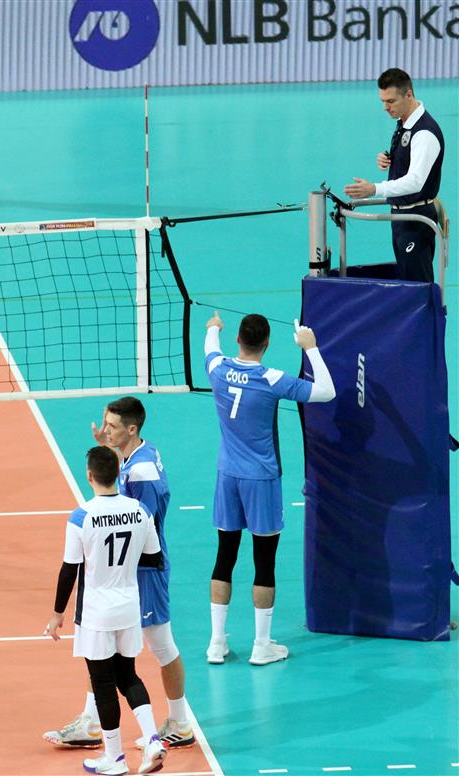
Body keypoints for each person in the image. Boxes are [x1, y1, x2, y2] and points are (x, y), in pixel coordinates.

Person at [45, 397, 195, 751]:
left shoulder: (142, 473)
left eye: (112, 426)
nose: (105, 430)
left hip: (144, 571)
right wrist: (108, 448)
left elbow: (144, 526)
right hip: (127, 570)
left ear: (131, 429)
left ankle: (179, 722)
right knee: (99, 645)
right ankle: (90, 722)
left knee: (162, 645)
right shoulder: (136, 454)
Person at [204, 312, 335, 666]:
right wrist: (310, 347)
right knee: (264, 562)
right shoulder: (271, 378)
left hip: (227, 475)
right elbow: (327, 391)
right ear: (267, 344)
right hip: (261, 479)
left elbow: (210, 347)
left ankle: (216, 643)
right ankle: (262, 646)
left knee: (224, 557)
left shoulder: (217, 369)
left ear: (238, 340)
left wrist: (214, 326)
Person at [45, 447, 168, 775]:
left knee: (102, 682)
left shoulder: (82, 516)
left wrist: (57, 614)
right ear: (117, 474)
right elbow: (154, 557)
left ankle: (114, 758)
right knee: (128, 675)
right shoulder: (140, 510)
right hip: (128, 607)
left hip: (96, 612)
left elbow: (69, 570)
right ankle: (152, 740)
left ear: (89, 476)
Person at [343, 68, 445, 283]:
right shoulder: (404, 123)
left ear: (408, 95)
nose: (385, 107)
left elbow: (416, 181)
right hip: (401, 217)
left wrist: (375, 189)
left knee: (417, 283)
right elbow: (408, 160)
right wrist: (389, 159)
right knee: (408, 279)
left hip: (416, 219)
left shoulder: (424, 133)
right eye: (382, 101)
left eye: (390, 101)